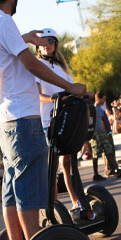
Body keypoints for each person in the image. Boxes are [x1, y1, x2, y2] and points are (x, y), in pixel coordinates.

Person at [0, 0, 86, 240]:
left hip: (5, 119)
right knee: (27, 188)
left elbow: (10, 51)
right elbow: (30, 63)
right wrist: (70, 87)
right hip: (23, 118)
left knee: (12, 188)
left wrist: (25, 38)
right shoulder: (4, 20)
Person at [35, 27, 92, 211]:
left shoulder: (61, 68)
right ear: (38, 47)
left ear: (55, 45)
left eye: (50, 41)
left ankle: (76, 202)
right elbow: (37, 96)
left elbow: (73, 90)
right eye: (43, 42)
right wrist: (55, 98)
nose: (46, 45)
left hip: (66, 119)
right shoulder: (35, 66)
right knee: (51, 168)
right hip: (49, 122)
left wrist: (84, 94)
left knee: (67, 164)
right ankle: (53, 208)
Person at [91, 91, 121, 178]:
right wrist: (91, 133)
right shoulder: (92, 109)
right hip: (95, 133)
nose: (104, 101)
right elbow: (90, 122)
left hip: (102, 133)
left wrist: (109, 132)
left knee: (109, 151)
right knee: (95, 154)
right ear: (98, 98)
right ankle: (96, 173)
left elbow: (105, 121)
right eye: (103, 99)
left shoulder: (101, 110)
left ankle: (117, 170)